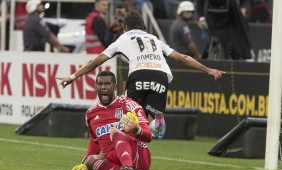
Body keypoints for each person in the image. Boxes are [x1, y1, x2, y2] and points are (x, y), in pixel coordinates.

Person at [57, 10, 225, 139]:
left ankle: (128, 154)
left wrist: (72, 77)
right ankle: (155, 122)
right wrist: (209, 70)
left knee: (129, 118)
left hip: (139, 74)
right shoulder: (154, 39)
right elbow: (182, 58)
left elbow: (95, 62)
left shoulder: (122, 39)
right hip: (161, 76)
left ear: (125, 27)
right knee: (148, 118)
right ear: (144, 27)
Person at [70, 71, 170, 170]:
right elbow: (95, 141)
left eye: (107, 84)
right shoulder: (90, 113)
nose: (103, 87)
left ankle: (127, 168)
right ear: (95, 87)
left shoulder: (129, 105)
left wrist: (136, 129)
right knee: (91, 161)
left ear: (115, 87)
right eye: (100, 84)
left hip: (137, 156)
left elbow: (148, 137)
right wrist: (84, 163)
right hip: (114, 161)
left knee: (115, 132)